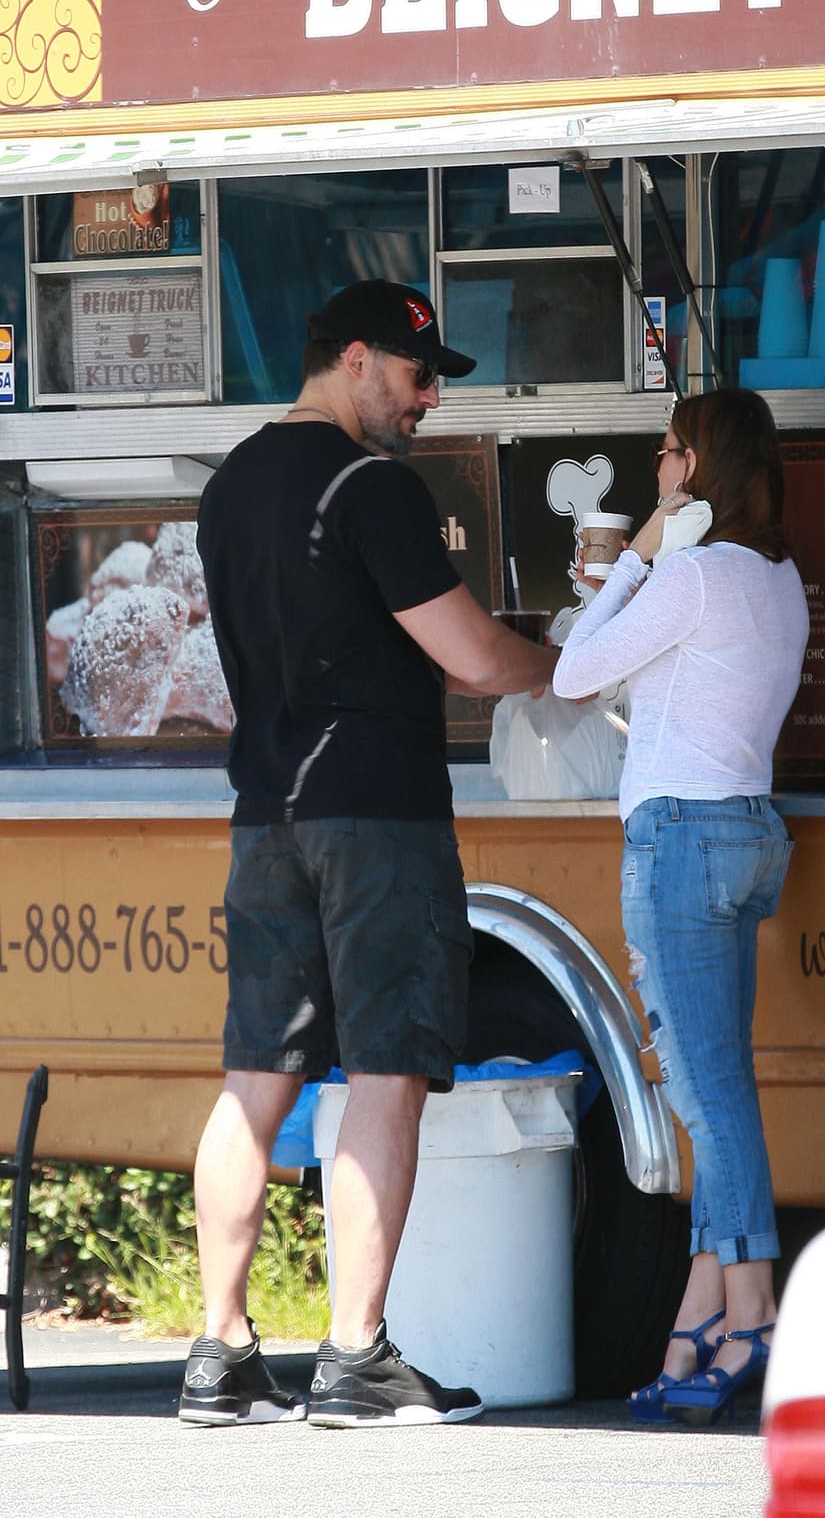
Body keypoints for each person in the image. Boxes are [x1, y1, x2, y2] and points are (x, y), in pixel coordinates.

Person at [181, 278, 556, 1429]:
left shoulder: (231, 484)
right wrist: (566, 662)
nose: (429, 396)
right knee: (385, 1071)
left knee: (255, 1078)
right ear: (353, 358)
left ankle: (220, 1351)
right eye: (416, 372)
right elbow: (472, 656)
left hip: (265, 814)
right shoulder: (372, 486)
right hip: (378, 817)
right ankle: (353, 1355)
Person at [551, 386, 809, 1426]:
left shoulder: (692, 575)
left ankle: (753, 1315)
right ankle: (695, 1321)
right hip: (747, 831)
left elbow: (575, 671)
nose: (655, 466)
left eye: (665, 452)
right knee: (720, 1088)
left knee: (708, 1099)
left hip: (681, 842)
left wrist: (637, 554)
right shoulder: (776, 578)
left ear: (694, 466)